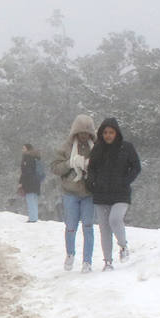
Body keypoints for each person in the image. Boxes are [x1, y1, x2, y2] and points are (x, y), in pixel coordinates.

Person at [86, 118, 141, 270]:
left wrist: (126, 180)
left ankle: (123, 246)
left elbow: (136, 166)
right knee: (104, 228)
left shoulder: (126, 147)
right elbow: (91, 169)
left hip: (121, 193)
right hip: (101, 194)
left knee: (115, 220)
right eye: (105, 133)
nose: (108, 135)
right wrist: (91, 182)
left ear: (117, 133)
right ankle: (107, 262)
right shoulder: (97, 149)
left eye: (111, 132)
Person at [50, 114, 97, 272]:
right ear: (75, 132)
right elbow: (54, 168)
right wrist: (70, 163)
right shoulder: (65, 147)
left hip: (89, 192)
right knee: (71, 226)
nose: (84, 136)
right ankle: (70, 253)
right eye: (81, 132)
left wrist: (91, 165)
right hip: (70, 192)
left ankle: (87, 261)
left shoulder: (96, 148)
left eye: (87, 133)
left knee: (88, 227)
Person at [18, 144, 44, 222]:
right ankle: (34, 217)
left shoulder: (27, 157)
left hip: (29, 182)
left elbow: (26, 172)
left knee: (30, 200)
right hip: (36, 181)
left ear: (27, 149)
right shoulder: (36, 157)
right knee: (34, 200)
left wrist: (21, 182)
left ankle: (32, 219)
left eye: (23, 148)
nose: (22, 150)